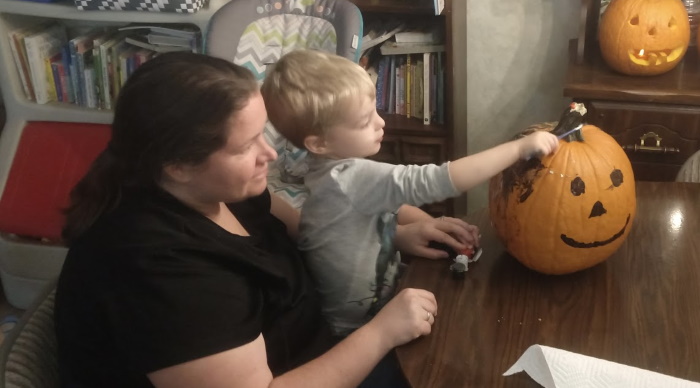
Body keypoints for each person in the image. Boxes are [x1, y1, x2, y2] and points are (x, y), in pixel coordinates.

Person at [54, 51, 478, 388]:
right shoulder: (162, 271)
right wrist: (382, 333)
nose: (270, 155)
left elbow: (305, 227)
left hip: (320, 342)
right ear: (178, 164)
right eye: (244, 147)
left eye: (263, 133)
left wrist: (391, 234)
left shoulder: (218, 190)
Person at [260, 49, 559, 336]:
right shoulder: (350, 177)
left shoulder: (323, 169)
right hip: (361, 327)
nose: (381, 123)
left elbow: (356, 225)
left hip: (369, 304)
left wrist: (402, 233)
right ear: (319, 143)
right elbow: (438, 180)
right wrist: (518, 149)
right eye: (365, 121)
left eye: (375, 109)